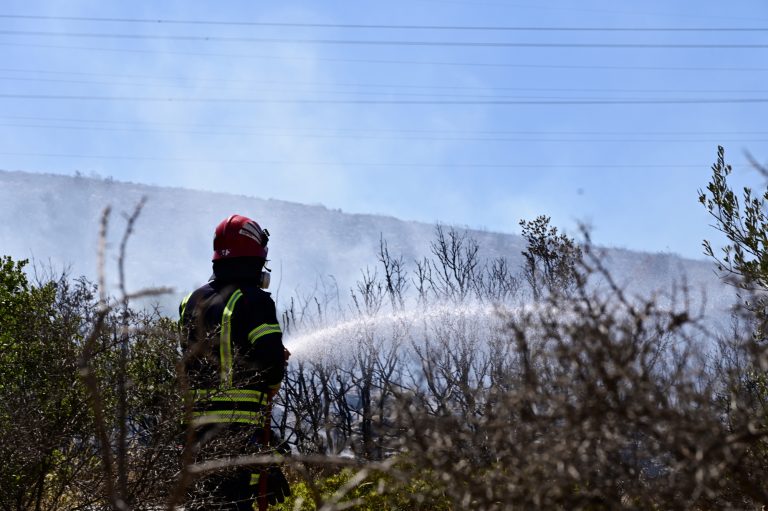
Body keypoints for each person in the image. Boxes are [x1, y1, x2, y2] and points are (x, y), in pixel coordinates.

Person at [179, 214, 291, 510]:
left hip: (195, 438)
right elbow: (271, 366)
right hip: (237, 437)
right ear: (256, 260)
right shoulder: (254, 300)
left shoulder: (191, 301)